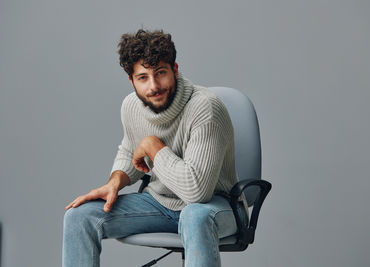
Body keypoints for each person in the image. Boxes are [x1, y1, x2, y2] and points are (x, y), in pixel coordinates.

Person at [62, 29, 247, 267]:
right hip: (160, 204)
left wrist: (153, 146)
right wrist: (115, 181)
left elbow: (197, 192)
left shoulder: (206, 108)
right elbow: (130, 151)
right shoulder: (131, 106)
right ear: (131, 80)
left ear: (175, 70)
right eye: (143, 77)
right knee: (79, 216)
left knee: (194, 216)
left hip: (218, 205)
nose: (153, 87)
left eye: (160, 73)